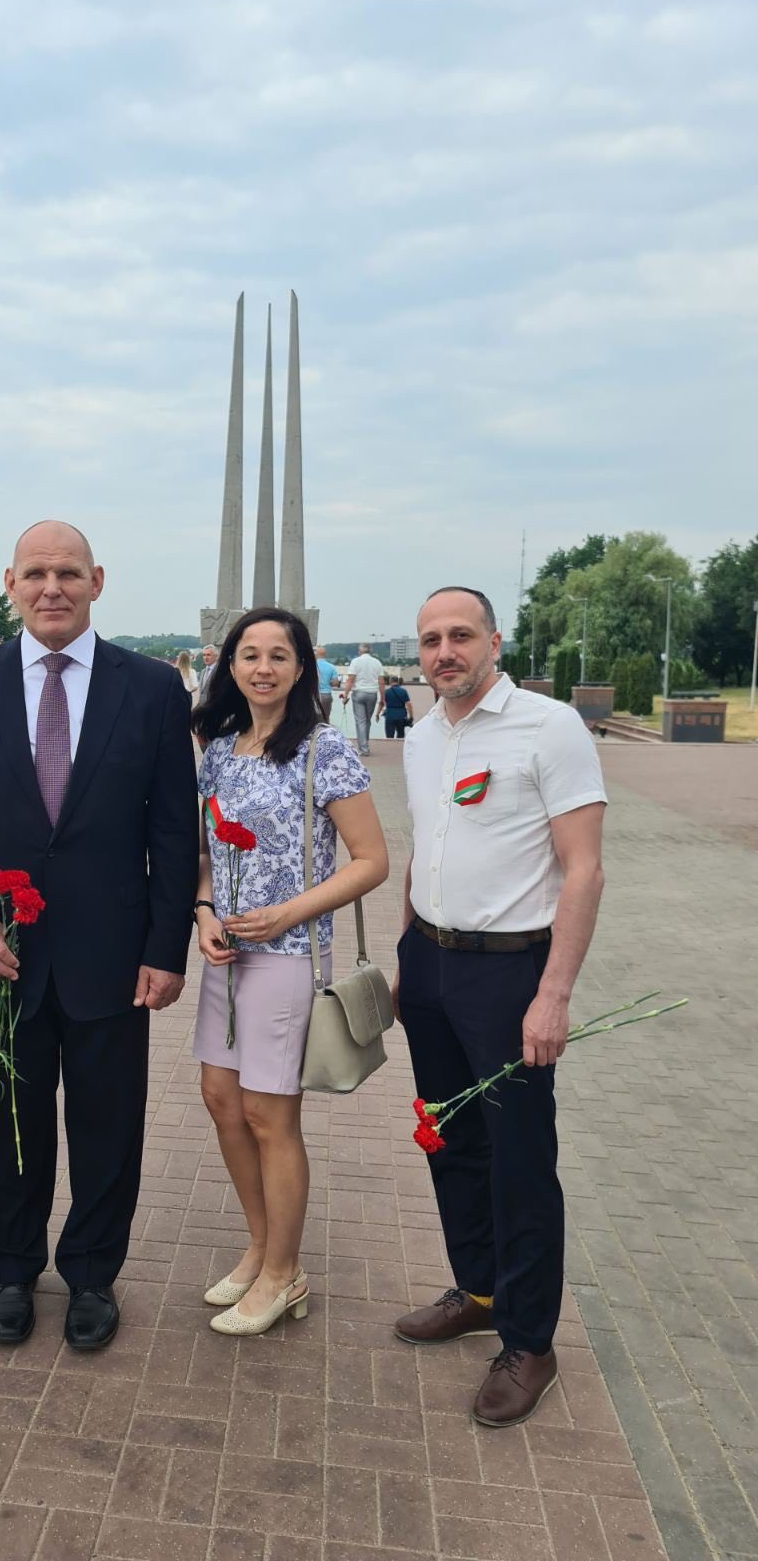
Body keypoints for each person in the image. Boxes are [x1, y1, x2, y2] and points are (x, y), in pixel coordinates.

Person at [0, 520, 199, 1352]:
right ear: (10, 583)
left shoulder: (148, 687)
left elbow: (173, 830)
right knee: (4, 1113)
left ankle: (90, 1274)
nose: (52, 588)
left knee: (109, 1122)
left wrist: (164, 946)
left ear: (97, 581)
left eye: (68, 573)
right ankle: (9, 1268)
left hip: (113, 955)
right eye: (36, 573)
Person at [392, 586, 607, 1428]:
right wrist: (408, 951)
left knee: (519, 1159)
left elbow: (583, 869)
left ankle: (529, 1340)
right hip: (434, 965)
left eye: (460, 636)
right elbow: (424, 847)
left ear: (494, 640)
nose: (444, 652)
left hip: (512, 973)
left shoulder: (548, 727)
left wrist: (554, 994)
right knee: (449, 1139)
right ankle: (477, 1290)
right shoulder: (423, 732)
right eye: (430, 640)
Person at [191, 608, 388, 1335]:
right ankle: (259, 1244)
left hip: (288, 955)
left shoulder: (324, 750)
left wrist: (287, 914)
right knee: (220, 1098)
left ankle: (284, 1272)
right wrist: (205, 913)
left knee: (269, 1114)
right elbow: (206, 853)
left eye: (279, 654)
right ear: (230, 666)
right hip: (227, 950)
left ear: (303, 667)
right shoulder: (217, 748)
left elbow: (372, 860)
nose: (263, 667)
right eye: (250, 654)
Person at [341, 644, 384, 757]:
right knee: (367, 720)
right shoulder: (377, 662)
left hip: (359, 693)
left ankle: (363, 749)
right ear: (370, 651)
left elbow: (350, 680)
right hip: (372, 694)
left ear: (360, 651)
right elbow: (381, 682)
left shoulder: (355, 662)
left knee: (360, 721)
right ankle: (365, 744)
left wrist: (345, 694)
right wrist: (382, 699)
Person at [313, 645, 338, 719]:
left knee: (313, 718)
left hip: (314, 695)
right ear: (325, 655)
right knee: (325, 717)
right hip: (326, 695)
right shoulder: (331, 667)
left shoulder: (312, 666)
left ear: (316, 654)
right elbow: (335, 683)